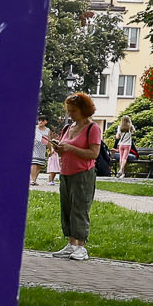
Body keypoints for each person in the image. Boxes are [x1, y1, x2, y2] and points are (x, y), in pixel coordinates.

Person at [47, 91, 101, 259]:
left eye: (73, 111)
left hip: (83, 174)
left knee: (80, 209)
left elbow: (94, 153)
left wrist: (70, 148)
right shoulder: (68, 128)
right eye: (68, 110)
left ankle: (81, 246)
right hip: (66, 173)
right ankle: (71, 244)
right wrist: (58, 148)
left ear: (84, 110)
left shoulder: (93, 128)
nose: (70, 114)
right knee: (67, 208)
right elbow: (65, 150)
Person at [31, 117, 49, 186]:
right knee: (34, 163)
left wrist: (51, 149)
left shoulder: (47, 130)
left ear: (46, 122)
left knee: (39, 165)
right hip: (34, 147)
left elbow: (48, 141)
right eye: (39, 120)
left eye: (42, 121)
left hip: (42, 148)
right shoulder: (34, 128)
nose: (40, 122)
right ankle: (32, 180)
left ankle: (34, 180)